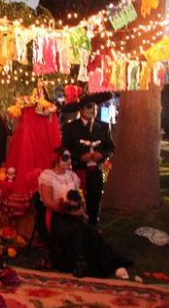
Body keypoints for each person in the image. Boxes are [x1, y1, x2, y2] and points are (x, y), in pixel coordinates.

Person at [38, 147, 130, 278]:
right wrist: (67, 211)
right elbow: (48, 201)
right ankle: (78, 262)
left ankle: (93, 260)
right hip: (54, 215)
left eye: (69, 157)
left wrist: (81, 210)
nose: (68, 160)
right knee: (75, 231)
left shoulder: (72, 176)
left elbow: (78, 197)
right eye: (65, 157)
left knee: (89, 230)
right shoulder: (48, 176)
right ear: (56, 159)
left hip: (72, 213)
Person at [61, 93, 114, 225]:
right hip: (77, 171)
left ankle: (93, 227)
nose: (93, 110)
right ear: (81, 109)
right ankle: (78, 227)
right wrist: (79, 157)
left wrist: (102, 155)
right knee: (77, 199)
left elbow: (111, 148)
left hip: (96, 171)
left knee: (95, 199)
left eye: (95, 107)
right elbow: (64, 150)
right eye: (89, 107)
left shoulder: (104, 127)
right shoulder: (70, 128)